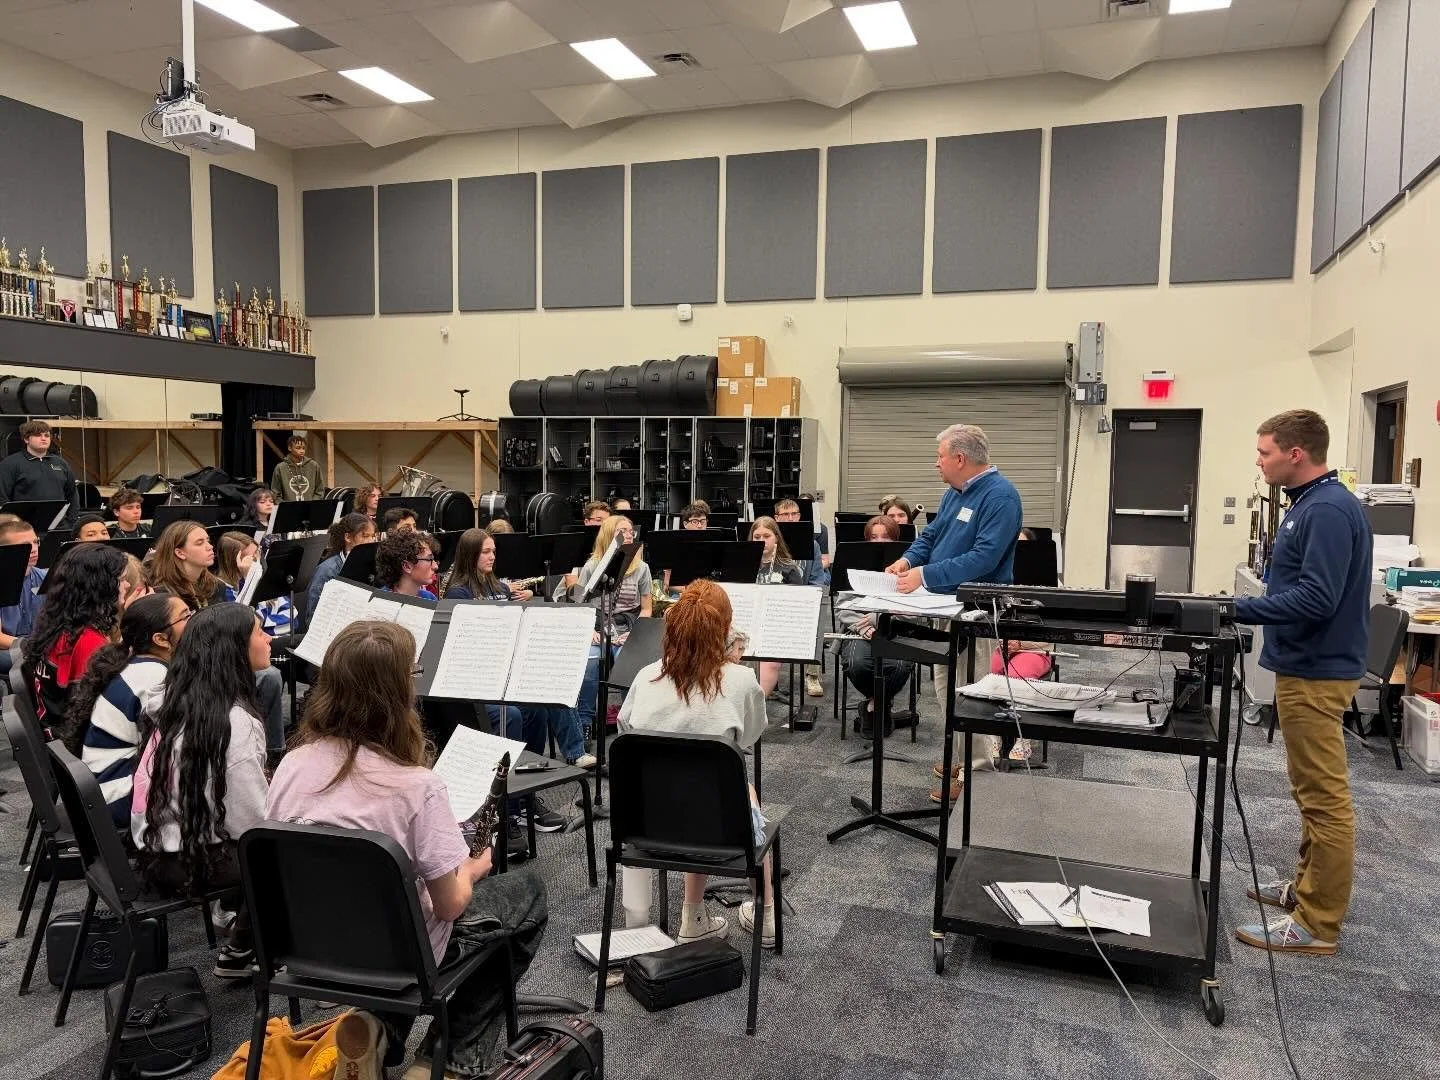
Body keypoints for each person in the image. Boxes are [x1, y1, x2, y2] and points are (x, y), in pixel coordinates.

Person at [267, 620, 548, 1079]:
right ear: (397, 693)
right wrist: (474, 867)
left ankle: (376, 1026)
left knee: (392, 908)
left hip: (308, 945)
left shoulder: (291, 766)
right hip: (401, 954)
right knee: (529, 894)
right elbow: (451, 904)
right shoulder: (417, 786)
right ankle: (452, 1054)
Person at [1231, 410, 1370, 956]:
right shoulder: (1309, 505)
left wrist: (1242, 609)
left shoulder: (1330, 511)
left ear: (1296, 453)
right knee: (1309, 791)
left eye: (1265, 452)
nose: (1259, 460)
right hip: (1304, 664)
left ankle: (1317, 923)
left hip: (1318, 669)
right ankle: (1306, 891)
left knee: (1324, 798)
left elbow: (1318, 598)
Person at [618, 581, 775, 944]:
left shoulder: (645, 676)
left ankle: (693, 916)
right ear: (723, 629)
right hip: (719, 831)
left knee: (691, 781)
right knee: (740, 788)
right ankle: (766, 915)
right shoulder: (741, 679)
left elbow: (627, 730)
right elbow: (750, 735)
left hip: (644, 826)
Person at [884, 424, 1023, 803]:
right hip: (945, 607)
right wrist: (908, 558)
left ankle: (977, 776)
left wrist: (925, 575)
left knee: (973, 693)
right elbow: (931, 537)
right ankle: (961, 756)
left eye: (940, 457)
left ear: (960, 459)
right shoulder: (954, 492)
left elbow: (984, 558)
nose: (936, 464)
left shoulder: (1001, 497)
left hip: (978, 611)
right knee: (947, 689)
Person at [132, 603, 271, 978]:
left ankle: (241, 949)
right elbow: (254, 826)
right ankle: (310, 959)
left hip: (159, 849)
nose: (269, 638)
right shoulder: (234, 722)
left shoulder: (179, 698)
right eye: (260, 632)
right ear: (235, 650)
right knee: (294, 846)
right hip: (190, 860)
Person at [444, 528, 595, 778]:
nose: (492, 556)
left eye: (493, 551)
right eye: (485, 552)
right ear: (470, 555)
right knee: (519, 710)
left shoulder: (499, 587)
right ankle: (515, 775)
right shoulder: (459, 592)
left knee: (551, 685)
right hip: (482, 672)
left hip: (509, 663)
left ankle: (547, 762)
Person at [72, 593, 191, 826]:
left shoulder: (142, 666)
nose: (194, 622)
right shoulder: (154, 680)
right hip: (118, 796)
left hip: (108, 786)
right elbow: (182, 747)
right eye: (185, 617)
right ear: (161, 639)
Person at [23, 542, 135, 750]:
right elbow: (97, 709)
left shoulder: (59, 625)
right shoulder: (87, 641)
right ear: (101, 587)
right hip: (77, 747)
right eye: (122, 580)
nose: (127, 585)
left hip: (55, 738)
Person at [575, 516, 651, 740]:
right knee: (590, 664)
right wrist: (590, 631)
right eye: (622, 531)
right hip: (596, 624)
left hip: (626, 625)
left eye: (630, 531)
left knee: (629, 665)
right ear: (609, 535)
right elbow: (579, 605)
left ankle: (632, 722)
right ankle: (586, 721)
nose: (629, 535)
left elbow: (646, 608)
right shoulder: (591, 566)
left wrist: (634, 632)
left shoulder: (641, 568)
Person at [837, 515, 911, 737]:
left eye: (885, 538)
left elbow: (912, 611)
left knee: (899, 666)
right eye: (874, 537)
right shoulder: (855, 565)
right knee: (857, 663)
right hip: (859, 631)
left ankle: (874, 704)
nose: (879, 542)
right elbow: (843, 607)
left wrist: (877, 619)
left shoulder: (907, 569)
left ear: (896, 540)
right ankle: (879, 703)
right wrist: (861, 626)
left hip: (896, 631)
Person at [773, 499, 826, 697]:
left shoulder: (812, 545)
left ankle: (812, 675)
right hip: (775, 601)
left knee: (819, 618)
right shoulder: (771, 542)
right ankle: (766, 677)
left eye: (794, 514)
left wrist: (809, 601)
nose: (790, 518)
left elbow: (817, 579)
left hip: (803, 600)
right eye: (785, 515)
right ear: (776, 519)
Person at [748, 516, 803, 699]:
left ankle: (756, 703)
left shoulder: (789, 568)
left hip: (777, 626)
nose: (761, 541)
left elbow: (797, 606)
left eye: (766, 536)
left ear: (776, 538)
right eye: (757, 537)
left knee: (770, 664)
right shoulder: (743, 563)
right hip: (747, 622)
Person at [0, 419, 78, 525]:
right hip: (24, 527)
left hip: (59, 525)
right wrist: (12, 524)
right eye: (38, 435)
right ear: (26, 439)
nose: (43, 439)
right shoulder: (10, 464)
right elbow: (2, 497)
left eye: (46, 435)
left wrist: (71, 521)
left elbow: (72, 493)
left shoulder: (60, 463)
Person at [0, 517, 46, 681]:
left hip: (38, 645)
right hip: (9, 649)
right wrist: (35, 647)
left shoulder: (45, 576)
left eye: (35, 542)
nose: (34, 549)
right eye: (25, 546)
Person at [146, 519, 227, 612]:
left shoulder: (217, 586)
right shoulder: (161, 595)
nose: (210, 547)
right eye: (200, 543)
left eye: (208, 541)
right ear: (180, 553)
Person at [307, 512, 376, 617]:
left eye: (373, 536)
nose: (371, 541)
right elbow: (313, 613)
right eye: (365, 536)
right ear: (348, 537)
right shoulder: (327, 570)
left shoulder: (374, 565)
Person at [376, 530, 438, 600]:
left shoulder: (430, 598)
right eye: (429, 559)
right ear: (407, 566)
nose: (435, 566)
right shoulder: (380, 602)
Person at [270, 435, 324, 502]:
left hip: (310, 508)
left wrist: (312, 504)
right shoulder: (280, 468)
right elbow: (276, 493)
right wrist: (285, 507)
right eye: (298, 448)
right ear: (290, 448)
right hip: (289, 509)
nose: (302, 451)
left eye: (303, 448)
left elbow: (319, 490)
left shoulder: (314, 466)